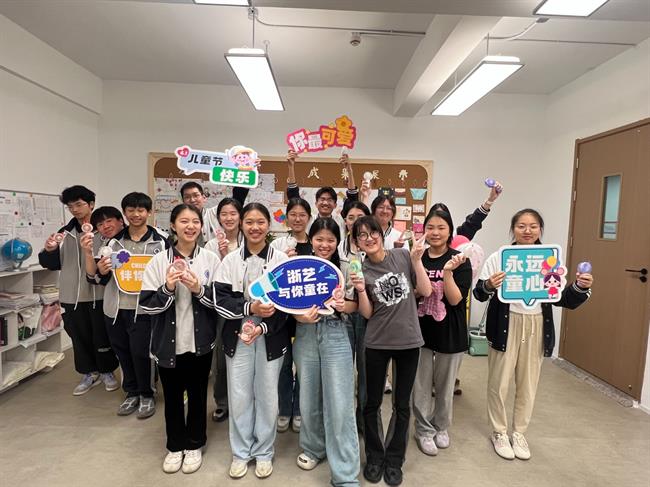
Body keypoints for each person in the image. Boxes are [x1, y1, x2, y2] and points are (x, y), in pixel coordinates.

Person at [473, 208, 593, 461]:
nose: (527, 231)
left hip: (537, 324)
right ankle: (499, 432)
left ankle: (519, 433)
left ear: (540, 230)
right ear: (513, 229)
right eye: (521, 226)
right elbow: (479, 294)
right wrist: (489, 285)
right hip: (505, 324)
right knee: (499, 383)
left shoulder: (549, 259)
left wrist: (580, 287)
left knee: (528, 384)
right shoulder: (499, 257)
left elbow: (561, 298)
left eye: (533, 226)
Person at [140, 204, 221, 474]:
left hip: (200, 342)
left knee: (198, 394)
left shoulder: (210, 259)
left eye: (195, 221)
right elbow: (147, 305)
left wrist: (198, 289)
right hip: (167, 342)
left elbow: (219, 302)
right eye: (184, 221)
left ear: (201, 226)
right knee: (173, 396)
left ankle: (195, 443)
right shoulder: (158, 261)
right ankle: (175, 445)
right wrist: (168, 287)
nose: (190, 226)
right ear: (173, 226)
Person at [351, 216, 431, 486]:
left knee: (401, 404)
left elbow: (425, 290)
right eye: (362, 235)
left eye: (373, 232)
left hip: (408, 341)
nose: (369, 238)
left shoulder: (403, 256)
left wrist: (417, 260)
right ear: (357, 242)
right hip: (376, 343)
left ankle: (394, 459)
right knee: (371, 403)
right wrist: (361, 290)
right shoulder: (361, 269)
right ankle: (375, 457)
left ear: (381, 233)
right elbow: (367, 313)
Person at [213, 203, 289, 479]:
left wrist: (263, 325)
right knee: (240, 395)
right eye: (249, 222)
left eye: (260, 222)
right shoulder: (230, 260)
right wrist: (250, 309)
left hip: (271, 335)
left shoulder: (281, 260)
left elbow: (288, 305)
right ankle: (241, 452)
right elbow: (220, 301)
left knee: (268, 395)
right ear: (241, 225)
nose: (255, 227)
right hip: (238, 335)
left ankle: (264, 451)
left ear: (269, 226)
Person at [293, 217, 360, 485]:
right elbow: (287, 303)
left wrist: (344, 306)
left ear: (338, 241)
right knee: (308, 396)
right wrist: (299, 317)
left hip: (336, 331)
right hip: (306, 333)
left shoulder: (345, 267)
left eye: (330, 240)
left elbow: (356, 304)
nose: (324, 244)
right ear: (311, 240)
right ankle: (313, 448)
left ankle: (345, 471)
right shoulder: (299, 266)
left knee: (340, 402)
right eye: (319, 239)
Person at [91, 193, 168, 419]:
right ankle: (131, 392)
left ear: (149, 212)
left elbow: (166, 274)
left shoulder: (161, 241)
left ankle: (147, 394)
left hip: (145, 309)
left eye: (141, 210)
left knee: (142, 353)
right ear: (124, 213)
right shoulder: (112, 242)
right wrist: (102, 270)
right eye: (131, 210)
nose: (136, 214)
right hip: (115, 309)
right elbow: (101, 278)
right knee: (123, 352)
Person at [38, 185, 119, 395]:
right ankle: (89, 373)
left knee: (102, 336)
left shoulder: (103, 231)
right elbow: (51, 264)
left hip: (100, 295)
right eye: (70, 206)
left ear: (91, 204)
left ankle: (107, 371)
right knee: (79, 337)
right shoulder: (64, 234)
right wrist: (49, 250)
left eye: (79, 204)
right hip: (71, 296)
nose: (74, 209)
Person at [412, 209, 472, 456]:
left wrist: (447, 272)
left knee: (446, 386)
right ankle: (423, 430)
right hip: (420, 330)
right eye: (430, 227)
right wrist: (416, 265)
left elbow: (456, 299)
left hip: (451, 332)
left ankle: (441, 426)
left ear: (450, 231)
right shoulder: (417, 256)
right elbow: (412, 292)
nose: (435, 232)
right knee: (421, 385)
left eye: (441, 227)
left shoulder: (460, 260)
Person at [271, 197, 314, 434]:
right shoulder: (278, 245)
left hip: (306, 316)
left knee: (304, 366)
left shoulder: (316, 243)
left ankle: (299, 410)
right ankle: (284, 409)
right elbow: (270, 277)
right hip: (281, 316)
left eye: (302, 215)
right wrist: (282, 262)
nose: (297, 219)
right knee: (284, 364)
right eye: (293, 214)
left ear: (309, 218)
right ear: (287, 218)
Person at [204, 196, 244, 423]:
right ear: (218, 218)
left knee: (245, 356)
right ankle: (222, 402)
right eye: (224, 214)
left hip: (247, 305)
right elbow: (211, 279)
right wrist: (222, 257)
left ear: (240, 216)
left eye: (233, 213)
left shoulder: (249, 241)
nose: (228, 218)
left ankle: (245, 402)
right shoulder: (211, 245)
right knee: (221, 358)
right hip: (221, 308)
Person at [339, 200, 371, 432]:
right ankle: (345, 418)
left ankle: (363, 416)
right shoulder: (337, 248)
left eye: (360, 217)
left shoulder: (372, 248)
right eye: (351, 217)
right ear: (345, 221)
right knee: (343, 368)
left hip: (368, 315)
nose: (355, 221)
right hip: (343, 313)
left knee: (366, 368)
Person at [286, 149, 358, 237]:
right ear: (316, 203)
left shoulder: (342, 221)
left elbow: (352, 199)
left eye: (329, 200)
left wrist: (349, 171)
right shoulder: (308, 219)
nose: (325, 203)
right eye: (322, 199)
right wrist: (291, 167)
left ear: (335, 205)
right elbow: (293, 197)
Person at [179, 181, 248, 245]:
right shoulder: (180, 221)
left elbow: (237, 199)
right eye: (187, 197)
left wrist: (244, 177)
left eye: (196, 195)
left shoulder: (215, 212)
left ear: (204, 198)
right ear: (183, 201)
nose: (192, 200)